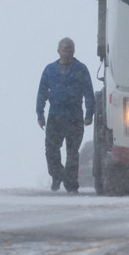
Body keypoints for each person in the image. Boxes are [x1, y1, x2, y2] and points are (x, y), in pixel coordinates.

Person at [36, 38, 94, 193]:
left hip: (74, 117)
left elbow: (88, 93)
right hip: (55, 116)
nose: (67, 53)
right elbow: (42, 93)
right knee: (51, 150)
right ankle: (57, 175)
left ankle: (71, 184)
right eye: (64, 50)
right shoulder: (50, 70)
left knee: (72, 152)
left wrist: (89, 114)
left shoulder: (81, 69)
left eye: (70, 50)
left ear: (74, 52)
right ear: (58, 51)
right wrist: (40, 114)